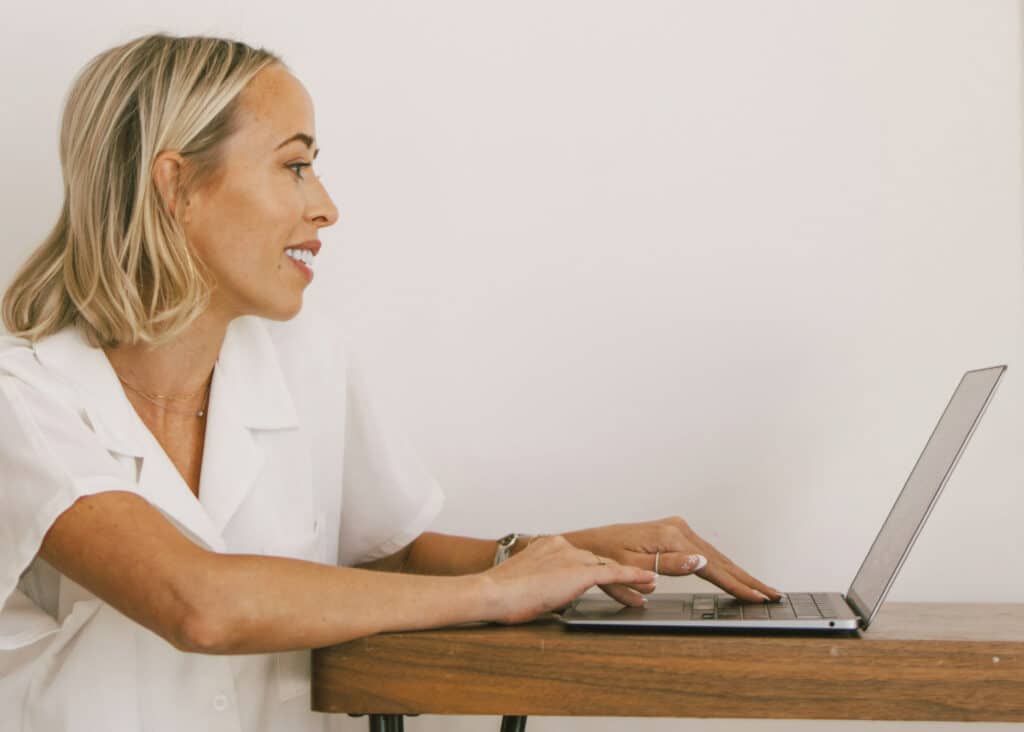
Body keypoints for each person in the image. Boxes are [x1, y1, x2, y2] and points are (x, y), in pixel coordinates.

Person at [0, 32, 781, 732]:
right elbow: (199, 604)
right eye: (295, 166)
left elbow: (382, 564)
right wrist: (492, 594)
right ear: (176, 187)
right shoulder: (23, 394)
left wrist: (550, 554)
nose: (327, 206)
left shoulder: (308, 359)